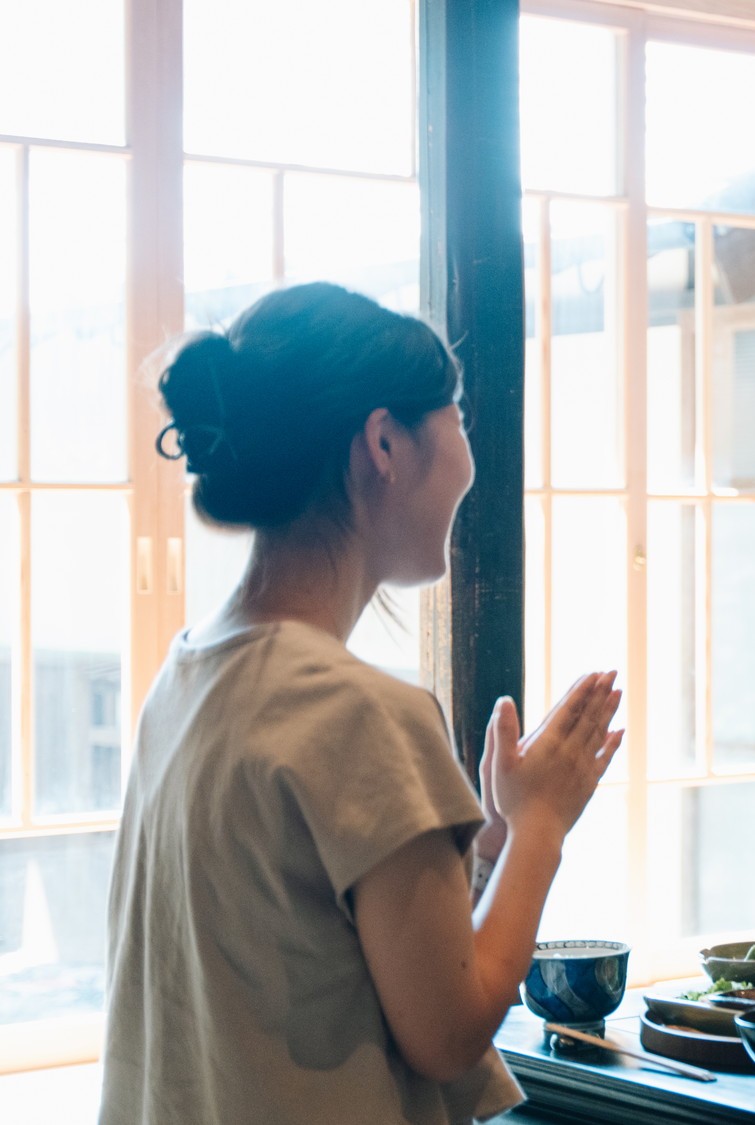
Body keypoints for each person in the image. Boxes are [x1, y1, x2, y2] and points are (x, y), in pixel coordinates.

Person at [100, 283, 624, 1123]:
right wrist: (541, 827)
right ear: (383, 441)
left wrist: (487, 841)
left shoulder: (186, 675)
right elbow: (449, 1033)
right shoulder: (360, 711)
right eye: (455, 415)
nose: (470, 453)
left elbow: (337, 970)